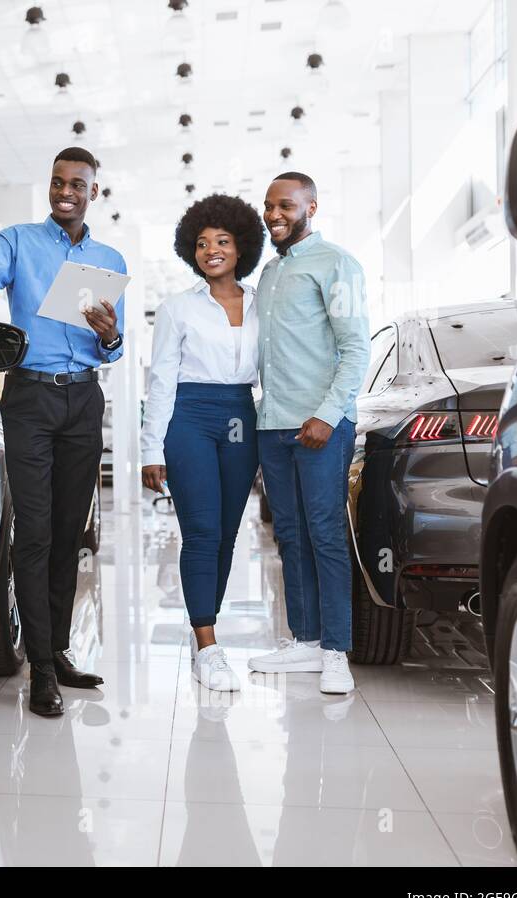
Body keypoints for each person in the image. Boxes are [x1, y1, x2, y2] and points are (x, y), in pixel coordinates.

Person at [0, 146, 125, 717]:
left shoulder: (107, 258)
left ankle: (57, 651)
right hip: (30, 396)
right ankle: (38, 668)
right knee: (33, 531)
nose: (66, 192)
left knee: (68, 533)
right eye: (58, 181)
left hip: (85, 399)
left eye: (77, 185)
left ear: (93, 193)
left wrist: (109, 334)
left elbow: (117, 343)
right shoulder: (16, 242)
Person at [245, 172, 370, 694]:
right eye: (269, 206)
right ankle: (305, 640)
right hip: (272, 425)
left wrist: (326, 413)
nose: (275, 214)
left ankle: (337, 651)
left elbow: (355, 348)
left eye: (286, 206)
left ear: (311, 207)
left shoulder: (336, 263)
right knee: (290, 535)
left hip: (320, 425)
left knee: (325, 534)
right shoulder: (270, 273)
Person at [139, 194, 265, 691]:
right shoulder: (176, 308)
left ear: (242, 246)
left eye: (222, 240)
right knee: (202, 532)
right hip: (188, 417)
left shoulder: (262, 302)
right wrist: (152, 449)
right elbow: (161, 380)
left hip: (240, 415)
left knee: (229, 535)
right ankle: (208, 645)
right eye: (201, 243)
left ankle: (204, 624)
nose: (211, 250)